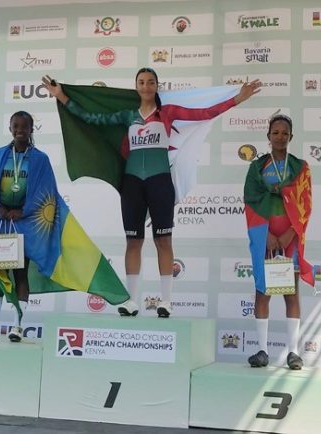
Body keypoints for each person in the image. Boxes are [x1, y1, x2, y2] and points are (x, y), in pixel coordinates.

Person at [42, 70, 261, 318]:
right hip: (132, 184)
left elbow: (205, 113)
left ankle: (166, 301)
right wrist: (61, 96)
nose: (146, 86)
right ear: (136, 86)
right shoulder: (127, 115)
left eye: (150, 82)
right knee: (133, 242)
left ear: (157, 86)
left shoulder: (168, 112)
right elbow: (91, 118)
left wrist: (238, 98)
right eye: (142, 82)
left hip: (160, 182)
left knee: (163, 240)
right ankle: (132, 301)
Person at [0, 111, 128, 342]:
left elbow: (46, 192)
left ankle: (17, 326)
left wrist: (24, 211)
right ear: (10, 128)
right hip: (2, 224)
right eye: (16, 126)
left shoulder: (40, 159)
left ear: (31, 129)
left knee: (20, 273)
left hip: (26, 223)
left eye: (24, 126)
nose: (20, 130)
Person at [243, 114, 314, 370]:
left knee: (290, 291)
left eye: (285, 133)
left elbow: (305, 204)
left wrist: (289, 233)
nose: (280, 137)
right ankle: (262, 350)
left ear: (291, 137)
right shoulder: (257, 167)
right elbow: (250, 201)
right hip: (264, 235)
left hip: (290, 237)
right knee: (262, 291)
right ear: (268, 136)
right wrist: (268, 236)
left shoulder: (300, 167)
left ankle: (293, 352)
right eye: (276, 132)